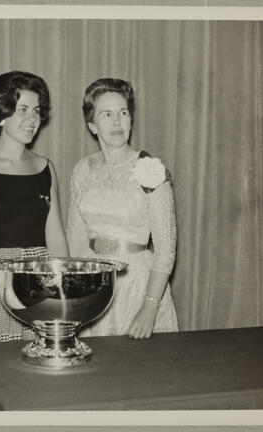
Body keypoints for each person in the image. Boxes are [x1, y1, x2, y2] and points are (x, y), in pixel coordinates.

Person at [0, 71, 69, 343]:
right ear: (2, 113)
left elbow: (57, 240)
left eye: (37, 111)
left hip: (39, 285)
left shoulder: (45, 168)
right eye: (23, 110)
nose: (32, 120)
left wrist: (64, 291)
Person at [67, 78, 178, 339]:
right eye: (107, 114)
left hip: (137, 284)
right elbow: (76, 238)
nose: (117, 121)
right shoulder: (83, 170)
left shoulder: (149, 169)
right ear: (92, 125)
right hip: (94, 284)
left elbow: (165, 248)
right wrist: (81, 293)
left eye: (123, 113)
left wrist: (149, 309)